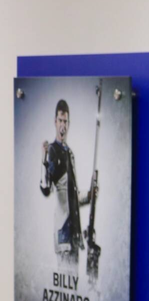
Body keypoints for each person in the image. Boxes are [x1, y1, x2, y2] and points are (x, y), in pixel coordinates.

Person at [39, 99, 96, 263]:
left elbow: (72, 196)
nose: (63, 125)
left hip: (75, 235)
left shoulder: (69, 153)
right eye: (60, 121)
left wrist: (89, 195)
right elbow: (46, 188)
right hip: (64, 235)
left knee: (74, 279)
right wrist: (43, 159)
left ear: (68, 124)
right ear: (55, 122)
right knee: (65, 278)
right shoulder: (53, 150)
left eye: (65, 121)